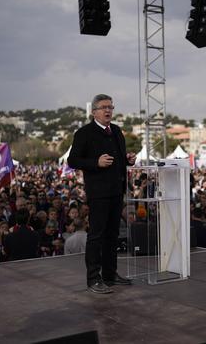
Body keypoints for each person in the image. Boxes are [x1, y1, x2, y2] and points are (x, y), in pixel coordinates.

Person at [68, 94, 136, 294]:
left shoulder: (115, 130)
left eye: (111, 107)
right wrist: (95, 163)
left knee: (112, 234)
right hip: (98, 192)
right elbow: (72, 160)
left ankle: (110, 273)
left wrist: (128, 160)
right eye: (104, 107)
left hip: (117, 190)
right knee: (96, 236)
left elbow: (119, 159)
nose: (108, 111)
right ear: (94, 112)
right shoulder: (84, 133)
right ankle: (93, 278)